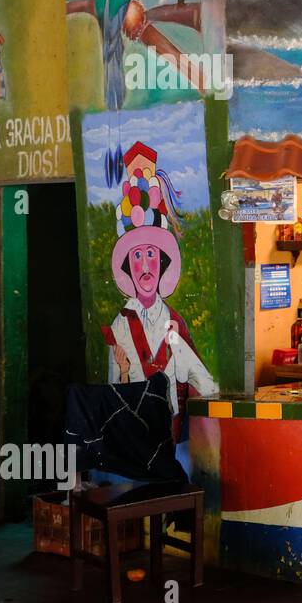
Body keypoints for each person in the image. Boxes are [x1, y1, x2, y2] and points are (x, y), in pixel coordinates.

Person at [103, 141, 217, 434]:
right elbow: (114, 389)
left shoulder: (174, 324)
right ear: (128, 266)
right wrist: (126, 372)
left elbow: (201, 378)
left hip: (169, 431)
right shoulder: (121, 324)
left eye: (151, 254)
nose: (144, 265)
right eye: (137, 256)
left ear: (162, 263)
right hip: (135, 431)